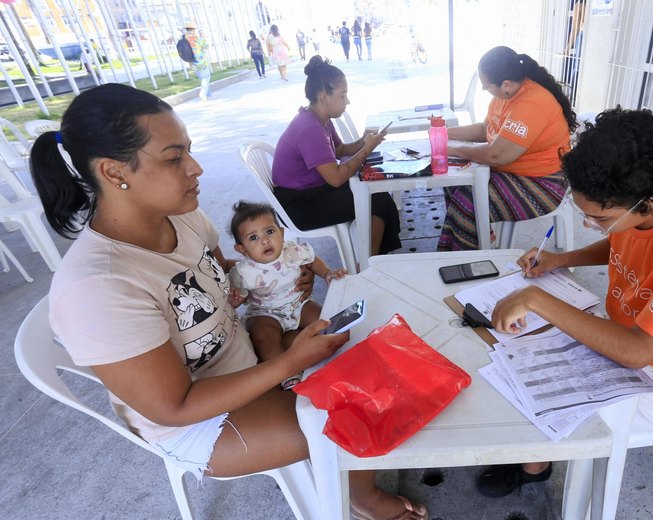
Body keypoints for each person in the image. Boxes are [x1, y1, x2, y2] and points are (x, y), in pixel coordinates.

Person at [29, 83, 427, 520]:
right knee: (353, 406)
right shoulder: (97, 286)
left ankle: (352, 480)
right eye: (174, 157)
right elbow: (174, 406)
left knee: (378, 350)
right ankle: (362, 498)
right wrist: (286, 364)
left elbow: (225, 281)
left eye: (189, 151)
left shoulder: (183, 217)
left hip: (248, 355)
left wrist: (276, 284)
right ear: (112, 171)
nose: (195, 168)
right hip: (200, 419)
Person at [477, 107, 653, 498]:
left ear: (651, 200)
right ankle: (535, 456)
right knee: (506, 356)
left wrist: (537, 299)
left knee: (531, 391)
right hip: (621, 333)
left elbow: (638, 351)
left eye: (599, 218)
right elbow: (623, 236)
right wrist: (561, 259)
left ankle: (537, 465)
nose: (592, 225)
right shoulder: (644, 209)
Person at [439, 46, 577, 251]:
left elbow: (496, 155)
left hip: (544, 183)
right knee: (452, 181)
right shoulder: (505, 95)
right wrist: (443, 133)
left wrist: (456, 150)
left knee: (468, 200)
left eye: (487, 87)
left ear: (505, 84)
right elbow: (485, 129)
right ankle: (478, 238)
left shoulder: (532, 103)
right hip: (514, 172)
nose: (486, 91)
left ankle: (466, 262)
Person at [272, 56, 402, 257]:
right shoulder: (310, 128)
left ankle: (372, 259)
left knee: (375, 192)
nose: (347, 101)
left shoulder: (319, 118)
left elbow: (339, 150)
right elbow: (336, 177)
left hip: (313, 191)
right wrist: (367, 149)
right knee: (377, 201)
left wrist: (363, 140)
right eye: (343, 96)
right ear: (324, 96)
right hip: (299, 205)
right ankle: (368, 266)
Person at [228, 200, 347, 388]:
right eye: (253, 238)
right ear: (241, 249)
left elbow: (312, 259)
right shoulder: (243, 272)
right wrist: (234, 301)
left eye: (269, 231)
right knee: (262, 337)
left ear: (281, 233)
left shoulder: (291, 251)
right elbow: (235, 298)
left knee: (326, 318)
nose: (265, 240)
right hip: (264, 313)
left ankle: (344, 345)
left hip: (298, 303)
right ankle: (286, 373)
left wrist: (327, 273)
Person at [185, 22, 211, 100]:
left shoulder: (184, 39)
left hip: (192, 63)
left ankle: (208, 94)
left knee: (202, 78)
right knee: (206, 77)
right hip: (201, 62)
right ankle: (203, 94)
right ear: (193, 30)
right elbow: (207, 46)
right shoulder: (198, 38)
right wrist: (203, 37)